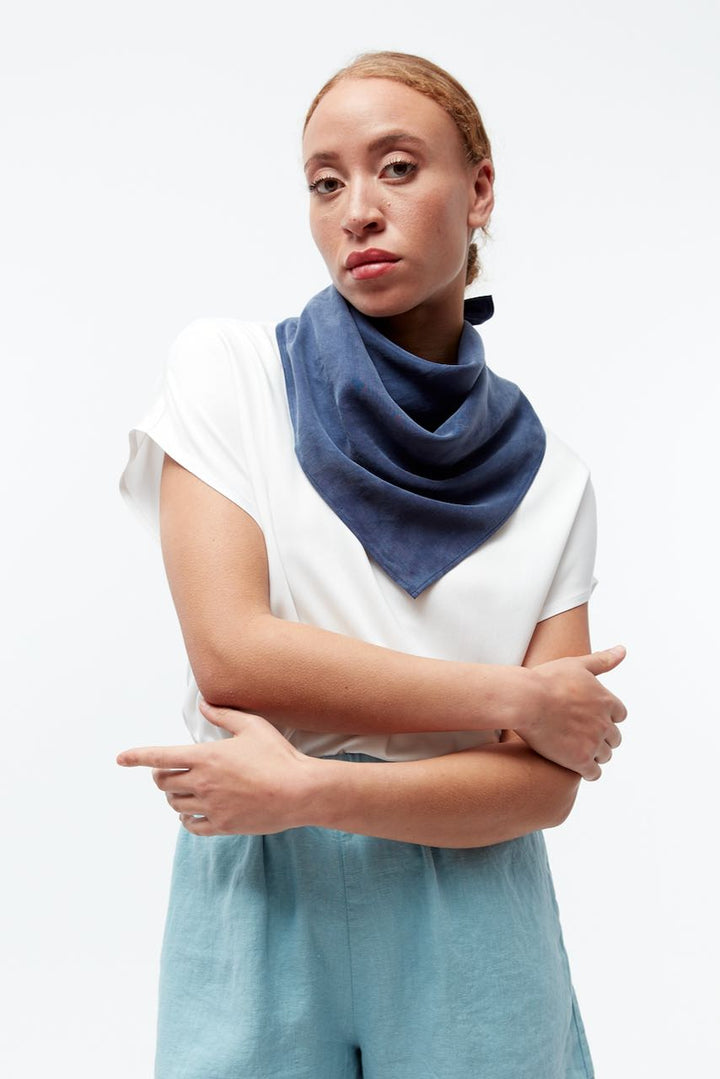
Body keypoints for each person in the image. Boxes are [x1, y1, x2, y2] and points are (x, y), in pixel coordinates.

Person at [117, 50, 627, 1079]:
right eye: (325, 181)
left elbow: (542, 787)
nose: (357, 211)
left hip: (471, 904)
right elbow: (234, 654)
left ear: (479, 189)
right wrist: (513, 697)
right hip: (264, 893)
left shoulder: (554, 479)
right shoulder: (231, 375)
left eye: (397, 167)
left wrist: (306, 788)